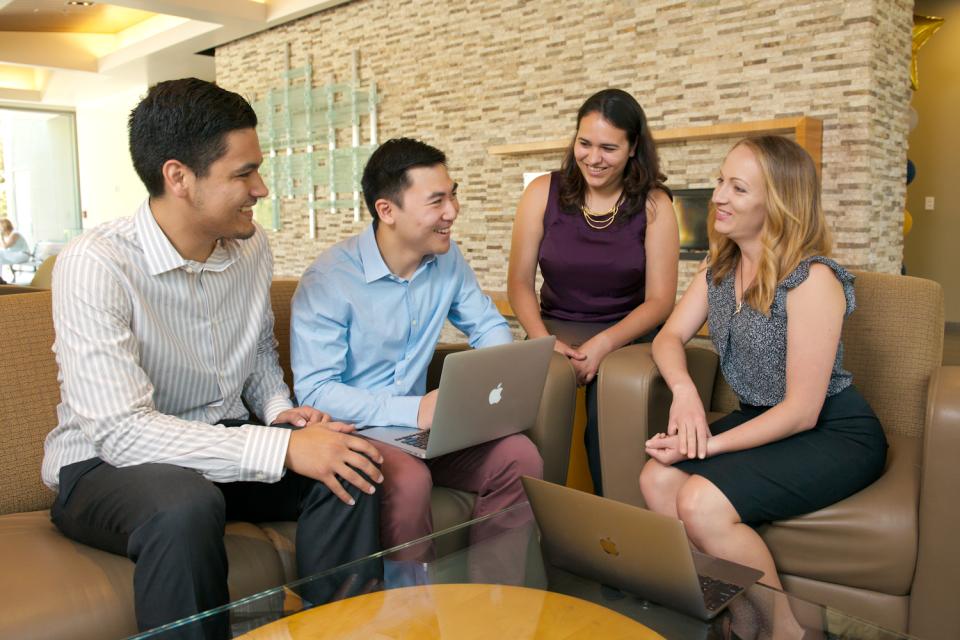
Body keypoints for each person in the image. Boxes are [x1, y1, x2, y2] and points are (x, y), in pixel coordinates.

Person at [41, 78, 383, 638]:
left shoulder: (250, 247)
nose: (262, 189)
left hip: (217, 440)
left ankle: (337, 630)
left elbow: (256, 353)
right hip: (106, 463)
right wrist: (281, 446)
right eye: (243, 174)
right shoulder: (96, 263)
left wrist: (278, 412)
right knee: (185, 504)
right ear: (179, 177)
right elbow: (121, 433)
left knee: (353, 462)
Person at [640, 136, 887, 607]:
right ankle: (724, 611)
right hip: (762, 419)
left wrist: (706, 443)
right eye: (719, 182)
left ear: (777, 204)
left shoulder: (813, 279)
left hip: (833, 431)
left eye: (738, 188)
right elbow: (667, 338)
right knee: (656, 478)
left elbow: (800, 412)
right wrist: (684, 391)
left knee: (699, 502)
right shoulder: (719, 267)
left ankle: (785, 631)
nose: (718, 197)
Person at [290, 137, 543, 561]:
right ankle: (413, 612)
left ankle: (495, 601)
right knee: (408, 481)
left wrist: (495, 384)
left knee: (519, 456)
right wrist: (414, 411)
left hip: (426, 428)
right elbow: (315, 393)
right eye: (437, 201)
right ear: (386, 210)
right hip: (357, 429)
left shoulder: (447, 259)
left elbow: (488, 327)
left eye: (454, 194)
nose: (452, 212)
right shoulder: (330, 280)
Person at [507, 88, 679, 495]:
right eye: (584, 143)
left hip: (627, 334)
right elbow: (518, 282)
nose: (593, 157)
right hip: (553, 328)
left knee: (616, 391)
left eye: (608, 147)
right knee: (543, 386)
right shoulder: (541, 192)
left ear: (633, 147)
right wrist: (541, 338)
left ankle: (613, 527)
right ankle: (533, 520)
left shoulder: (655, 205)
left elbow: (660, 300)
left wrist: (604, 344)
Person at [0, 217, 31, 283]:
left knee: (0, 254)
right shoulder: (9, 235)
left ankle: (1, 279)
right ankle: (1, 279)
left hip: (23, 255)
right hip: (16, 255)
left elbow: (5, 246)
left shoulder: (15, 234)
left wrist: (1, 237)